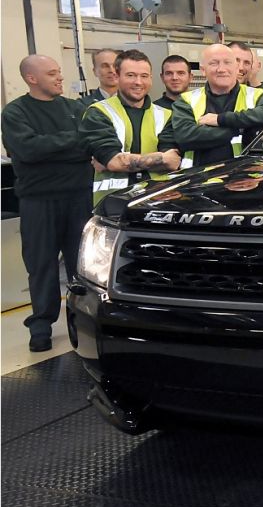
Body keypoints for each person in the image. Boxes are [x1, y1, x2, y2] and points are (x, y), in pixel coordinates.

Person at [1, 55, 92, 351]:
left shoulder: (74, 108)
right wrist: (72, 143)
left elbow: (89, 141)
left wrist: (53, 145)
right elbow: (27, 150)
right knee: (41, 265)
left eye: (59, 73)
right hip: (38, 201)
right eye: (52, 74)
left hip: (78, 197)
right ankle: (41, 324)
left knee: (83, 265)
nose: (59, 78)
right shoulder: (15, 113)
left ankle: (83, 320)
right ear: (32, 78)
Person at [80, 50, 181, 203]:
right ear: (117, 76)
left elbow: (172, 162)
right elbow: (113, 162)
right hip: (113, 203)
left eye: (144, 76)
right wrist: (160, 158)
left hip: (158, 199)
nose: (138, 82)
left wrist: (119, 160)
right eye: (131, 75)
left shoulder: (166, 115)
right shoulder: (98, 112)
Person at [158, 43, 263, 168]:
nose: (221, 69)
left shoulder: (257, 96)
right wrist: (241, 128)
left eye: (227, 62)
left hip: (244, 180)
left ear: (236, 67)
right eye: (214, 63)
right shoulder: (186, 100)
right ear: (203, 69)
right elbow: (186, 136)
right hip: (199, 182)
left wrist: (220, 119)